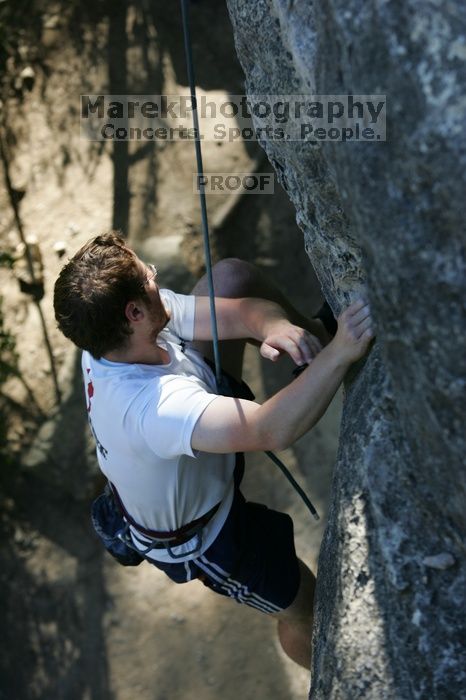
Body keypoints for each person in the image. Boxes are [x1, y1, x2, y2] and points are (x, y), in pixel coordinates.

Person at [53, 231, 374, 669]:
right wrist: (341, 355)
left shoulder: (115, 336)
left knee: (230, 277)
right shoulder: (152, 408)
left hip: (193, 431)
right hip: (206, 532)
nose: (154, 273)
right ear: (133, 313)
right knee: (302, 603)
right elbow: (271, 430)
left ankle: (315, 336)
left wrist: (275, 327)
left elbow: (238, 311)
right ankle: (337, 676)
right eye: (147, 276)